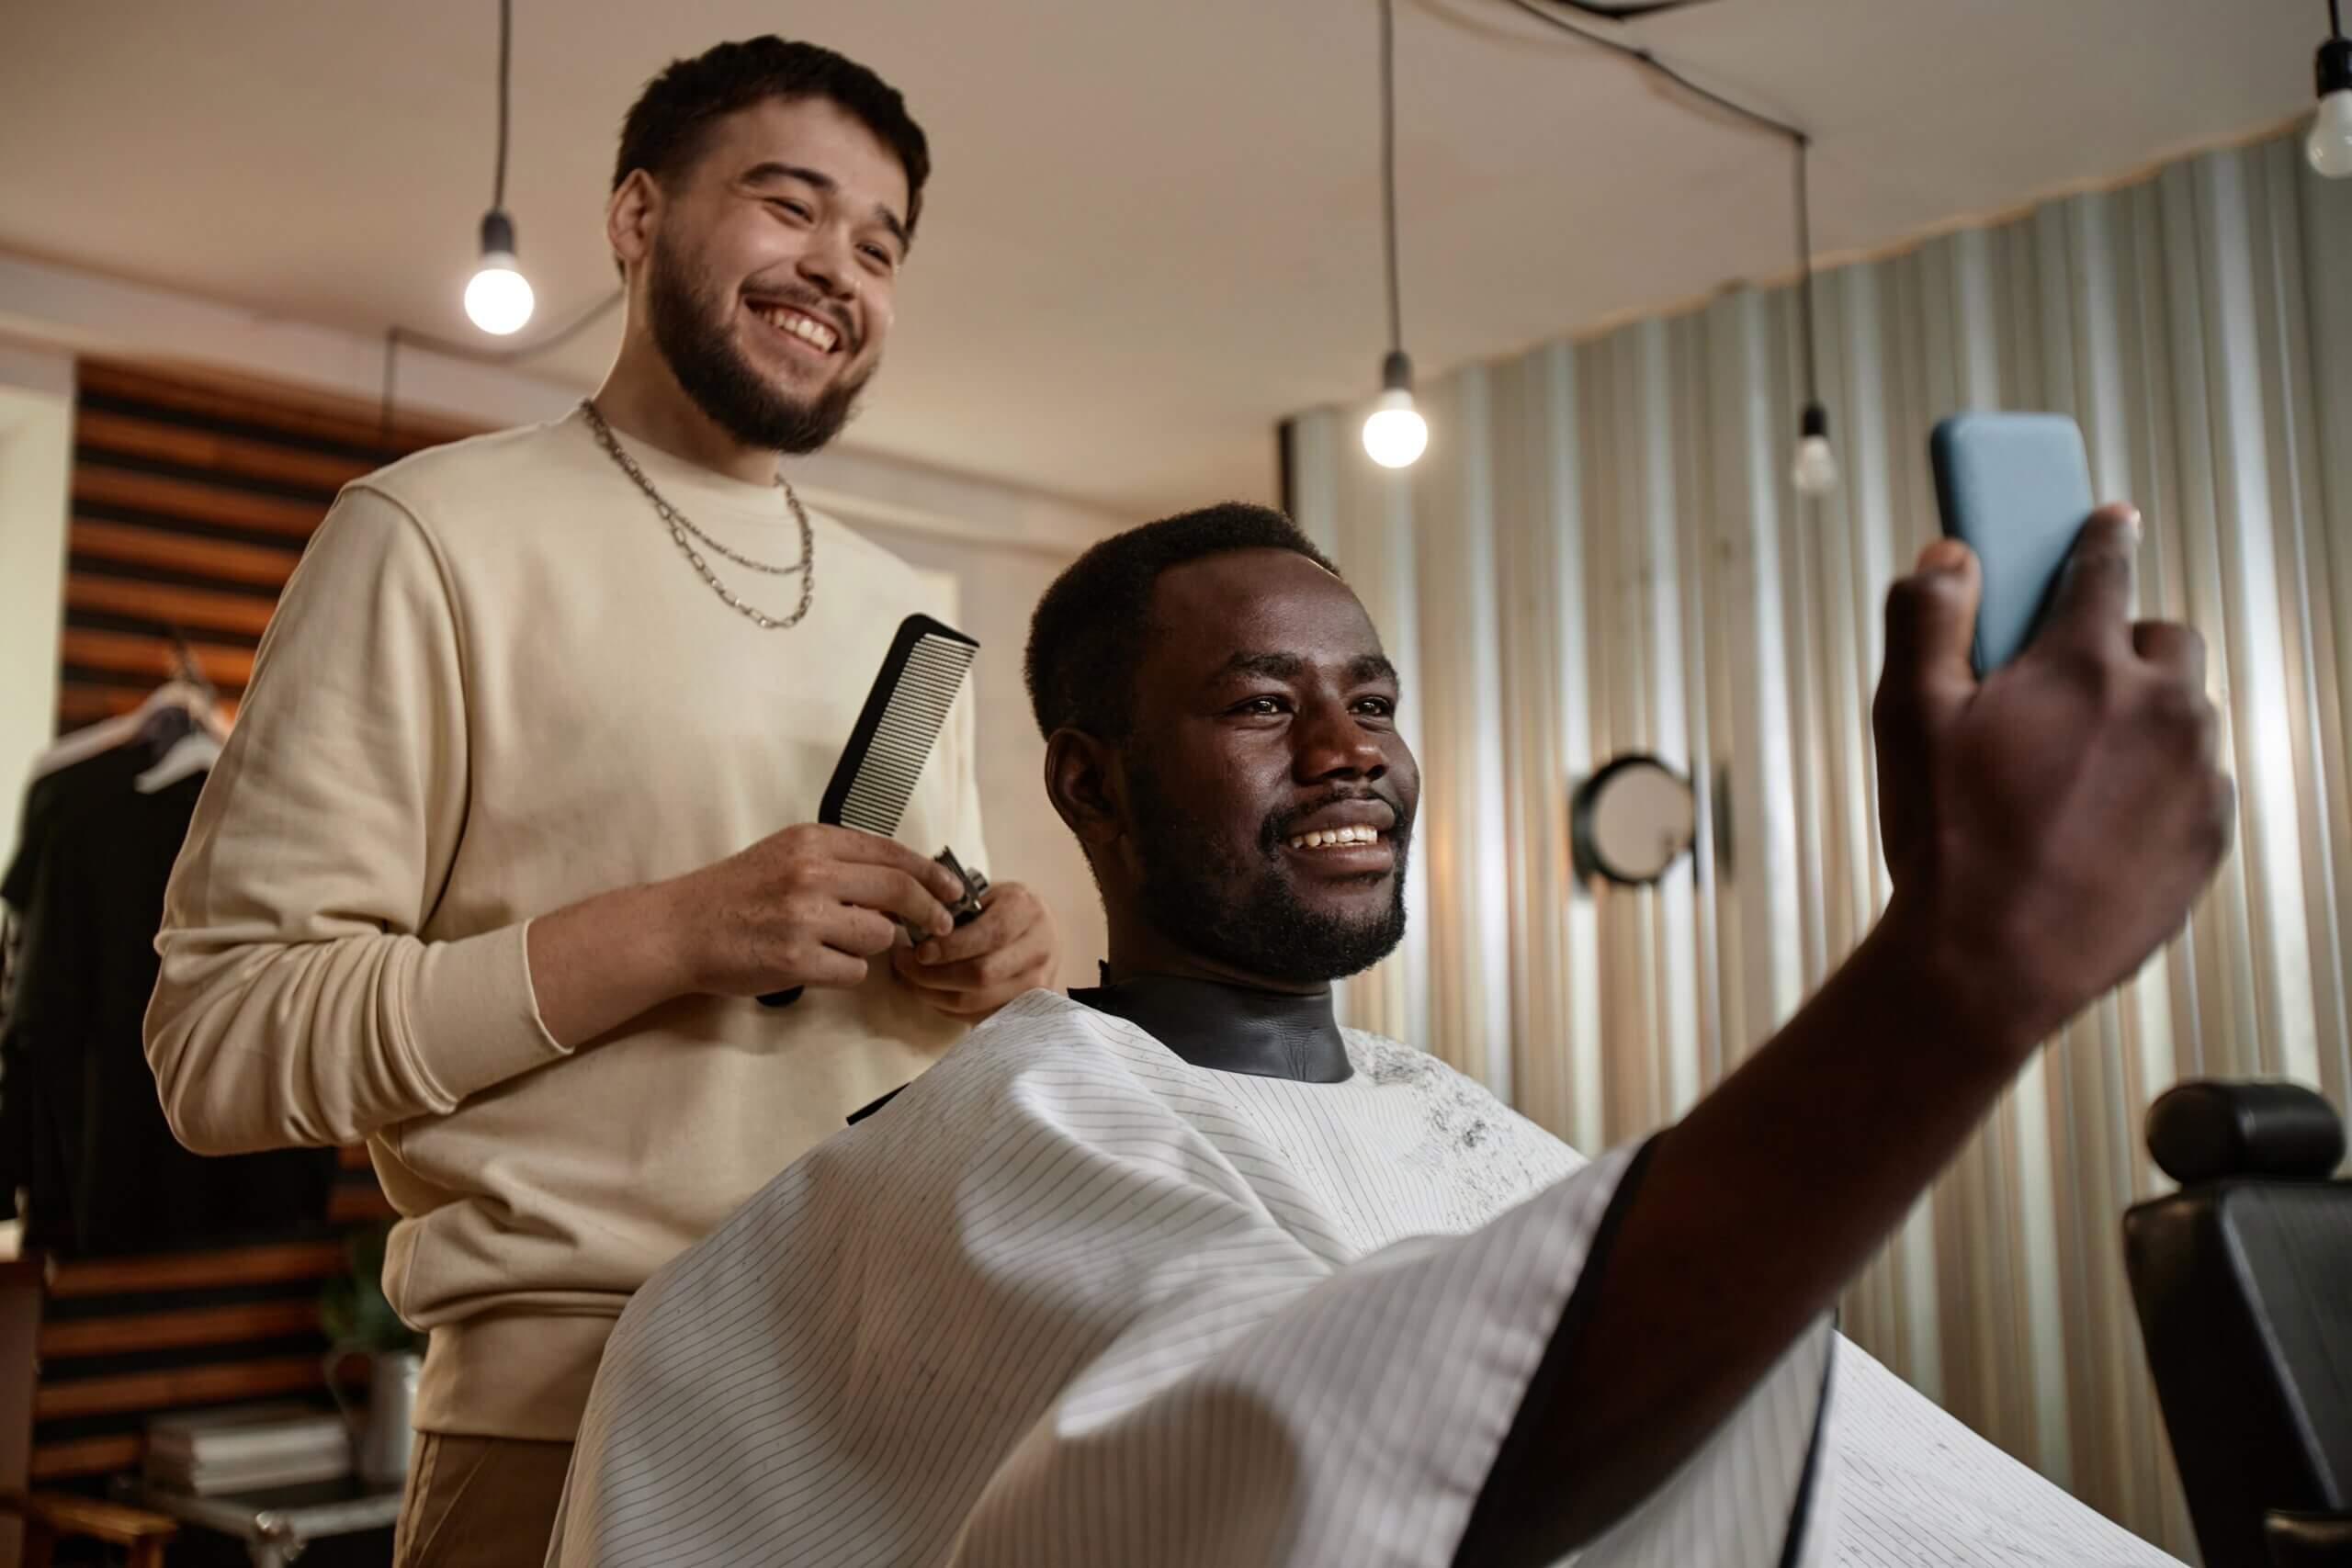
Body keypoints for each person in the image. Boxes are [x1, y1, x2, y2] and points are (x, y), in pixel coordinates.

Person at [548, 502, 2228, 1566]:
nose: (1353, 748)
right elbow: (1343, 1466)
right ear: (1088, 785)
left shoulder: (1450, 1122)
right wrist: (1951, 983)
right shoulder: (1031, 1127)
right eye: (1265, 704)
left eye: (1376, 697)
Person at [141, 36, 1058, 1566]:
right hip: (563, 1430)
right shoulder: (425, 536)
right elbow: (221, 1045)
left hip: (890, 1403)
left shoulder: (906, 609)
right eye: (790, 205)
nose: (838, 266)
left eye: (880, 244)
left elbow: (858, 1046)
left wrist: (984, 972)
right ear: (636, 218)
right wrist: (686, 929)